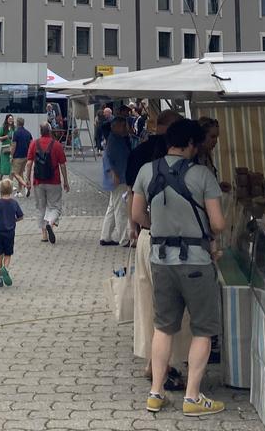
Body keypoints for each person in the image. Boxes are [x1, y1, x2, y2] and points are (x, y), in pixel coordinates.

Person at [131, 118, 226, 417]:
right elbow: (218, 224)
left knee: (163, 326)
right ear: (192, 144)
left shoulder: (147, 171)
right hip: (196, 262)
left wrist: (159, 226)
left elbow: (136, 214)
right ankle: (192, 397)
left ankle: (155, 393)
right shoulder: (203, 175)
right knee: (202, 329)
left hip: (160, 258)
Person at [127, 109, 188, 385]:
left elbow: (133, 201)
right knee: (171, 307)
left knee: (149, 302)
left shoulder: (141, 155)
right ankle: (167, 365)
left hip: (146, 237)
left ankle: (154, 362)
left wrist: (141, 224)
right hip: (170, 242)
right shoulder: (184, 163)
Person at [27, 121, 69, 244]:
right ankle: (50, 223)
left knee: (41, 207)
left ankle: (44, 235)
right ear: (50, 131)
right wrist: (65, 181)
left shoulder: (34, 143)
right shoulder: (57, 145)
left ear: (41, 132)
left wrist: (27, 179)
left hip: (38, 181)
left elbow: (29, 163)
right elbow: (62, 165)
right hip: (54, 181)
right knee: (55, 206)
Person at [101, 117, 137, 246]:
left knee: (112, 207)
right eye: (123, 126)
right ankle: (124, 239)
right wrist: (113, 173)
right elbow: (107, 158)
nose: (125, 128)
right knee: (120, 209)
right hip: (119, 178)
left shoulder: (117, 139)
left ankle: (105, 236)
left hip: (119, 177)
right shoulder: (114, 140)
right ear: (115, 126)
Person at [0, 179, 23, 287]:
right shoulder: (14, 203)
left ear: (0, 190)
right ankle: (6, 268)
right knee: (8, 254)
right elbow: (20, 216)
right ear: (11, 191)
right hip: (10, 233)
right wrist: (14, 220)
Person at [10, 117, 33, 196]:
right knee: (20, 173)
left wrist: (11, 156)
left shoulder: (16, 133)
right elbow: (31, 144)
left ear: (17, 123)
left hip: (17, 156)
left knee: (14, 173)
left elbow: (14, 145)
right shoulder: (28, 133)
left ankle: (26, 186)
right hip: (26, 156)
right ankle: (19, 191)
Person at [0, 114, 14, 181]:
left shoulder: (14, 128)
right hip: (5, 148)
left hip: (12, 148)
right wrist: (5, 137)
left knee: (11, 165)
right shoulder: (3, 128)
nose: (11, 120)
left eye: (12, 119)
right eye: (9, 119)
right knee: (3, 164)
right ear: (7, 120)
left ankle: (10, 182)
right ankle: (1, 180)